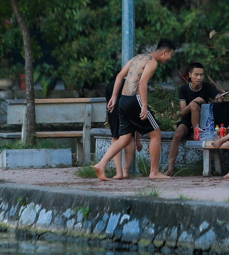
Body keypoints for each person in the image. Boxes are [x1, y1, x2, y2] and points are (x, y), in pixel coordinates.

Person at [94, 40, 175, 181]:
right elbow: (143, 82)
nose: (169, 58)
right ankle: (154, 172)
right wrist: (144, 105)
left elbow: (120, 75)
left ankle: (101, 164)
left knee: (125, 138)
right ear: (164, 52)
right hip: (134, 100)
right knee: (156, 134)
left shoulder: (137, 58)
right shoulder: (152, 62)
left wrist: (114, 97)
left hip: (123, 100)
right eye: (170, 55)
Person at [165, 62, 220, 175]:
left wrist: (219, 99)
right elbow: (183, 112)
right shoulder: (184, 89)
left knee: (196, 107)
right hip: (186, 121)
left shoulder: (207, 87)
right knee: (177, 135)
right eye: (196, 75)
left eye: (201, 75)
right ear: (190, 75)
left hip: (203, 123)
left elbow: (218, 97)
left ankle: (197, 135)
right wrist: (192, 103)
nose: (199, 78)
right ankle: (170, 168)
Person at [104, 78, 141, 179]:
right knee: (129, 138)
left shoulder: (112, 84)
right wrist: (138, 140)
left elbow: (108, 100)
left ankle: (118, 172)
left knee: (116, 138)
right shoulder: (134, 83)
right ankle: (126, 170)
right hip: (128, 107)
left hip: (114, 109)